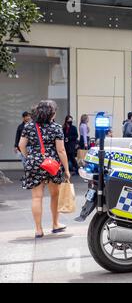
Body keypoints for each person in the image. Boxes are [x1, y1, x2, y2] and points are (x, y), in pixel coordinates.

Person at [18, 100, 70, 238]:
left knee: (36, 197)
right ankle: (55, 224)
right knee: (55, 195)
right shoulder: (56, 128)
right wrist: (67, 170)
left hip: (34, 163)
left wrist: (29, 157)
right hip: (52, 164)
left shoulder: (29, 126)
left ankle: (38, 230)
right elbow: (61, 151)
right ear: (52, 113)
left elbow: (21, 145)